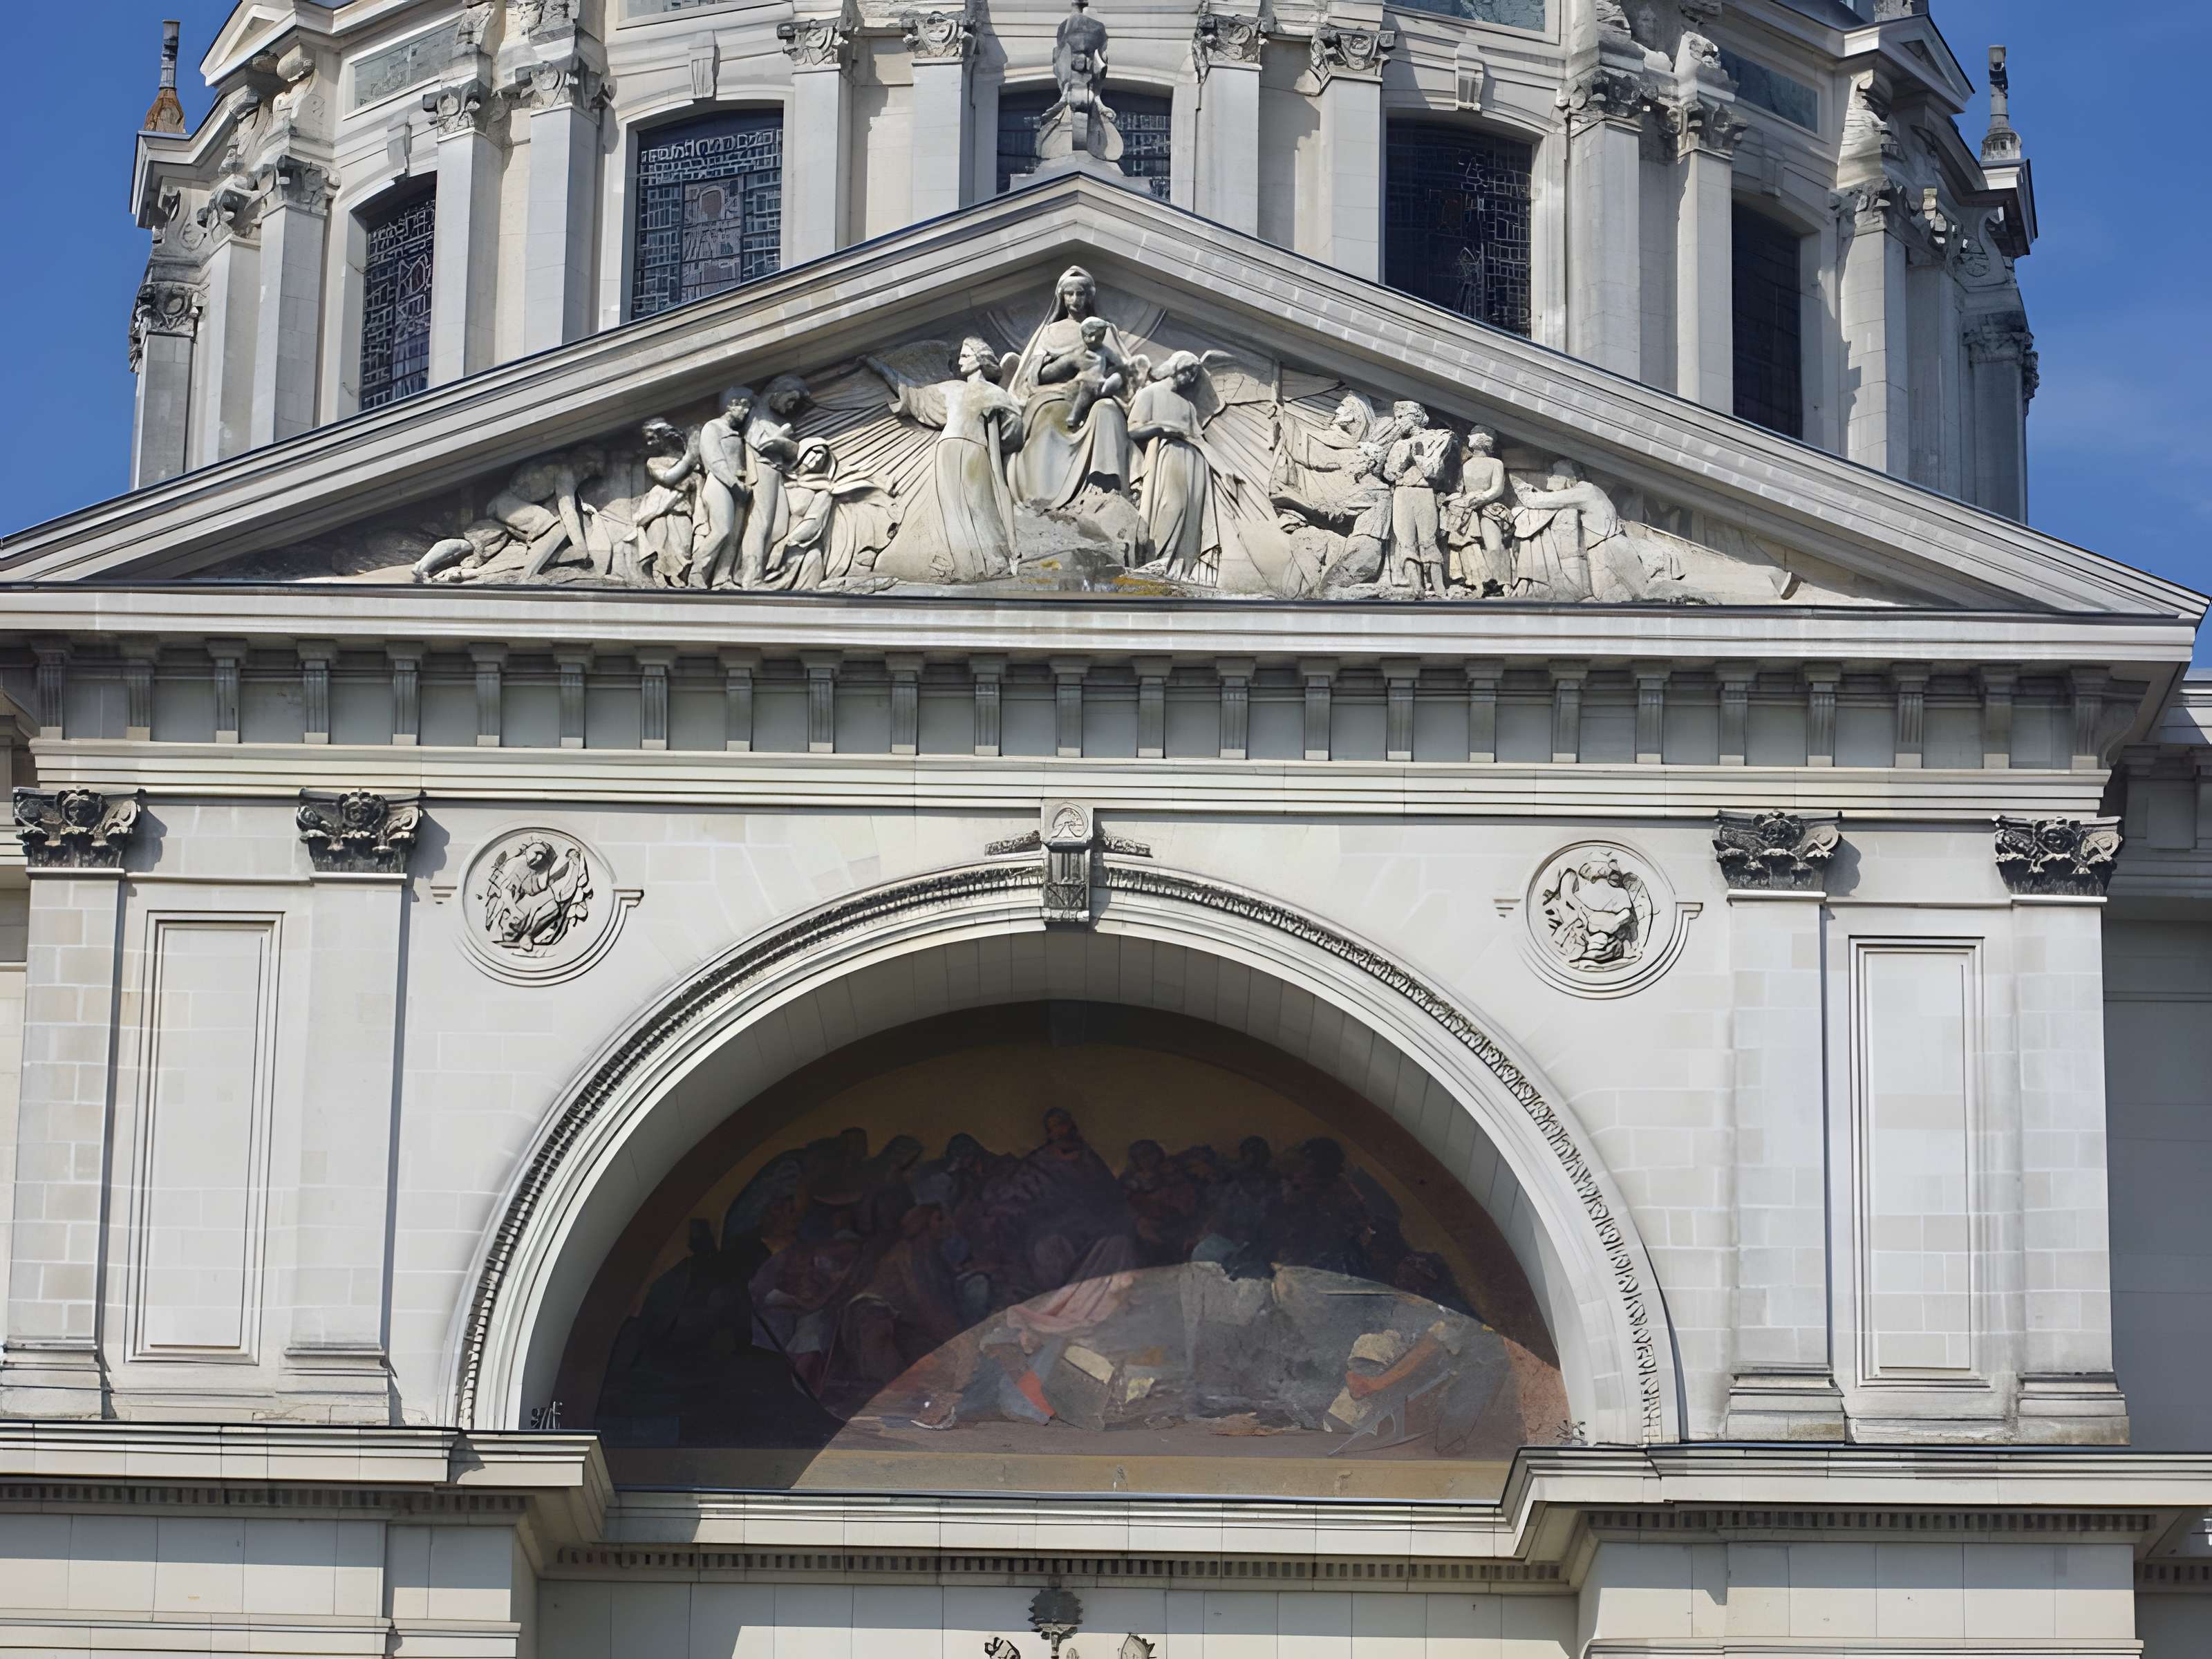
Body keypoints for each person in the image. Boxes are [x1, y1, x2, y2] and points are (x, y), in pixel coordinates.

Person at [864, 338, 1025, 581]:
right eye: (960, 355)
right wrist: (880, 368)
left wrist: (1003, 424)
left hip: (975, 450)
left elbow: (1011, 431)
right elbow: (916, 395)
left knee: (980, 506)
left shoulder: (994, 394)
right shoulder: (952, 388)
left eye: (966, 355)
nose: (960, 361)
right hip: (947, 449)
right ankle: (962, 565)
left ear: (981, 359)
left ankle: (990, 561)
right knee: (951, 511)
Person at [1006, 265, 1138, 510]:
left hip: (1096, 397)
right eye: (1070, 295)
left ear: (1089, 297)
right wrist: (1069, 361)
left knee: (1108, 411)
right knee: (1048, 421)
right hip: (1053, 397)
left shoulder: (1104, 331)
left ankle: (1106, 489)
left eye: (1080, 294)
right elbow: (1035, 376)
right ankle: (1043, 499)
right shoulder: (1050, 333)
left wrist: (1109, 383)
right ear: (1062, 298)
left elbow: (1126, 371)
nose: (1075, 300)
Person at [1128, 351, 1226, 581]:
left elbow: (1200, 439)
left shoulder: (1188, 407)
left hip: (1196, 464)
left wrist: (1225, 470)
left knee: (1192, 517)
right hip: (1169, 456)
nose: (1192, 378)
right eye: (1189, 371)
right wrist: (1163, 429)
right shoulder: (1150, 393)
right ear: (1177, 368)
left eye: (1195, 374)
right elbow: (1133, 430)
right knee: (1172, 507)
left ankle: (1183, 569)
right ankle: (1159, 560)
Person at [739, 374, 809, 588]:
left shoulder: (778, 419)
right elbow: (761, 443)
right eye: (790, 400)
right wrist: (783, 443)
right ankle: (751, 577)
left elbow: (791, 450)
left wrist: (785, 444)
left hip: (777, 471)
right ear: (778, 393)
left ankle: (761, 569)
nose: (790, 407)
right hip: (762, 469)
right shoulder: (755, 413)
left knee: (780, 527)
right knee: (761, 522)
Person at [1382, 402, 1452, 599]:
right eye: (1397, 418)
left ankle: (1440, 589)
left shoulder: (1436, 438)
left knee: (1429, 541)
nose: (1398, 422)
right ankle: (1417, 590)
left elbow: (1435, 471)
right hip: (1402, 494)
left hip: (1424, 493)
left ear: (1414, 416)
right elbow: (1389, 474)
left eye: (1402, 417)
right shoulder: (1399, 444)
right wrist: (1402, 461)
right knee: (1405, 543)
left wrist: (1417, 457)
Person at [694, 386, 755, 590]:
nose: (746, 412)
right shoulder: (713, 428)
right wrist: (734, 483)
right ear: (731, 405)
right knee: (722, 529)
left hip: (738, 487)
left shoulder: (735, 433)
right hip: (720, 483)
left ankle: (723, 578)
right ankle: (696, 571)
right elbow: (714, 460)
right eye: (743, 406)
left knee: (735, 536)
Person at [1442, 427, 1511, 594]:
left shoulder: (1496, 464)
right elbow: (1460, 488)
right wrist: (1455, 499)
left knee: (1494, 546)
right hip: (1468, 510)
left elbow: (1497, 489)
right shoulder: (1466, 464)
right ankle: (1475, 581)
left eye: (1473, 434)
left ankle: (1503, 582)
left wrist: (1480, 498)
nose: (1469, 436)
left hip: (1488, 509)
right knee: (1466, 544)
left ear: (1484, 440)